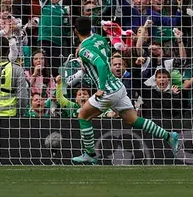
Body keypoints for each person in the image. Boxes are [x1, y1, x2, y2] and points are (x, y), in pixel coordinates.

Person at [71, 16, 180, 164]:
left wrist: (101, 88)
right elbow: (106, 53)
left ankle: (90, 154)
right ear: (90, 29)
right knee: (133, 120)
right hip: (118, 86)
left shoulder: (84, 50)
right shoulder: (99, 38)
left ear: (75, 31)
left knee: (83, 116)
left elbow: (102, 65)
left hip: (108, 90)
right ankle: (168, 136)